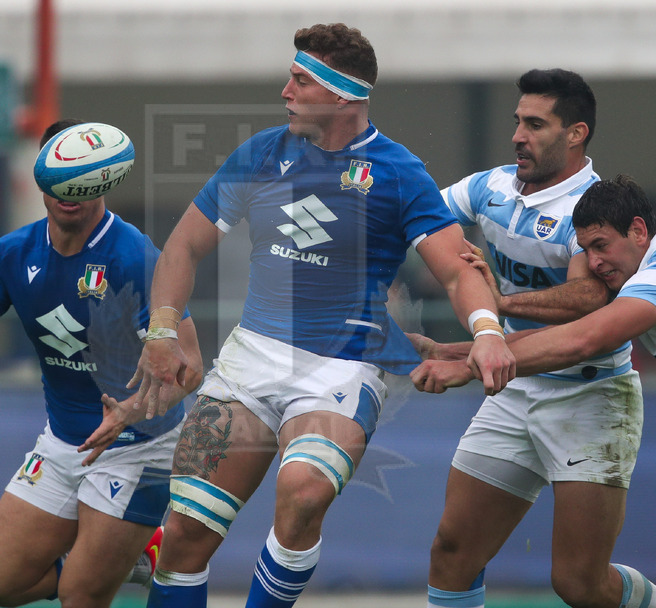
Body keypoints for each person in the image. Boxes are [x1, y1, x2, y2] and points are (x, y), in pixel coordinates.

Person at [126, 23, 514, 608]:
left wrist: (487, 332)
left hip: (343, 368)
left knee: (304, 494)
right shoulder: (261, 153)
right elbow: (183, 246)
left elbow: (459, 272)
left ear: (340, 95)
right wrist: (161, 330)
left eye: (300, 80)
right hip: (250, 360)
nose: (285, 90)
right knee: (184, 533)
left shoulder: (398, 171)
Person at [0, 118, 203, 608]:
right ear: (40, 175)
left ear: (103, 177)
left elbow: (190, 367)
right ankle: (134, 555)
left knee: (80, 596)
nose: (67, 190)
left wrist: (130, 411)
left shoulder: (134, 256)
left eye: (80, 177)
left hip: (141, 447)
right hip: (63, 442)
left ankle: (117, 557)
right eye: (57, 176)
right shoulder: (13, 253)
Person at [409, 69, 649, 608]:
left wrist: (487, 325)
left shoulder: (593, 207)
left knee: (580, 585)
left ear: (576, 133)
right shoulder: (488, 187)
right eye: (518, 121)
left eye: (535, 124)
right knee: (452, 552)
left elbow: (587, 310)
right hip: (514, 385)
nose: (518, 135)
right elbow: (420, 222)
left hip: (590, 397)